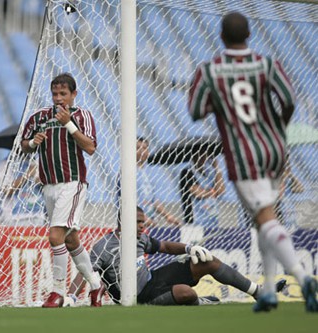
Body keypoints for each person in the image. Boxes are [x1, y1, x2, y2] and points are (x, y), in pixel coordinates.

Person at [188, 12, 317, 312]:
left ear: (221, 37)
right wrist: (277, 127)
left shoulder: (211, 71)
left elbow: (196, 110)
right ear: (249, 35)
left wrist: (218, 102)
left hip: (243, 154)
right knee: (264, 220)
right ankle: (269, 290)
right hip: (274, 148)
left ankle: (301, 276)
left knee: (265, 219)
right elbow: (288, 99)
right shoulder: (267, 64)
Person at [66, 206, 286, 306]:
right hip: (137, 297)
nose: (143, 226)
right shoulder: (104, 246)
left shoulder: (140, 238)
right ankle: (199, 301)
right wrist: (72, 297)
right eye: (139, 222)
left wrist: (189, 249)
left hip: (152, 280)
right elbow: (85, 271)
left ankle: (257, 291)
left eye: (143, 222)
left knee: (206, 261)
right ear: (123, 222)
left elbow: (165, 247)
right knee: (186, 293)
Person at [21, 73, 104, 307]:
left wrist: (67, 123)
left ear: (73, 94)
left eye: (63, 94)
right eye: (55, 94)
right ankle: (97, 286)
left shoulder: (82, 116)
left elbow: (90, 147)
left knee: (55, 236)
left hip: (72, 184)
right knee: (71, 240)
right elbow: (23, 145)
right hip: (48, 187)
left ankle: (57, 292)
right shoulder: (39, 117)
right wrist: (33, 143)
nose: (58, 98)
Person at [123, 137, 181, 227]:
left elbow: (153, 200)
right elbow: (126, 200)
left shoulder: (148, 173)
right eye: (138, 148)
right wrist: (142, 218)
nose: (142, 151)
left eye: (145, 148)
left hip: (148, 220)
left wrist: (167, 216)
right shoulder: (128, 172)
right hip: (133, 223)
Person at [180, 153, 226, 227]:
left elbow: (221, 190)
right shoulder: (187, 172)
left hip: (212, 221)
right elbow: (198, 193)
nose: (203, 157)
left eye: (205, 154)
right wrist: (213, 191)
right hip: (194, 222)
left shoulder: (209, 172)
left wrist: (217, 168)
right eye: (200, 154)